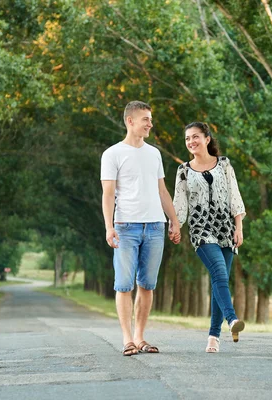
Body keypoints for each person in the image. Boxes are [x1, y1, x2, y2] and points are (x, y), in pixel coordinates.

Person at [101, 100, 181, 356]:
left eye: (150, 119)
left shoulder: (154, 153)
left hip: (155, 226)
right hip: (125, 227)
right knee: (124, 285)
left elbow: (162, 190)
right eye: (146, 119)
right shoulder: (112, 154)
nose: (150, 124)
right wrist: (109, 227)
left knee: (147, 284)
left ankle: (140, 337)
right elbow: (108, 193)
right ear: (130, 121)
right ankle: (127, 339)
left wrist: (174, 219)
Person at [172, 122, 246, 353]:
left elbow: (234, 194)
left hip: (225, 227)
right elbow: (179, 201)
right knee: (219, 273)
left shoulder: (223, 164)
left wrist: (239, 226)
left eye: (195, 137)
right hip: (201, 229)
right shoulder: (183, 170)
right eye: (187, 138)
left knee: (219, 280)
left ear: (206, 139)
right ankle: (232, 320)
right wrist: (175, 226)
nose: (191, 141)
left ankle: (213, 337)